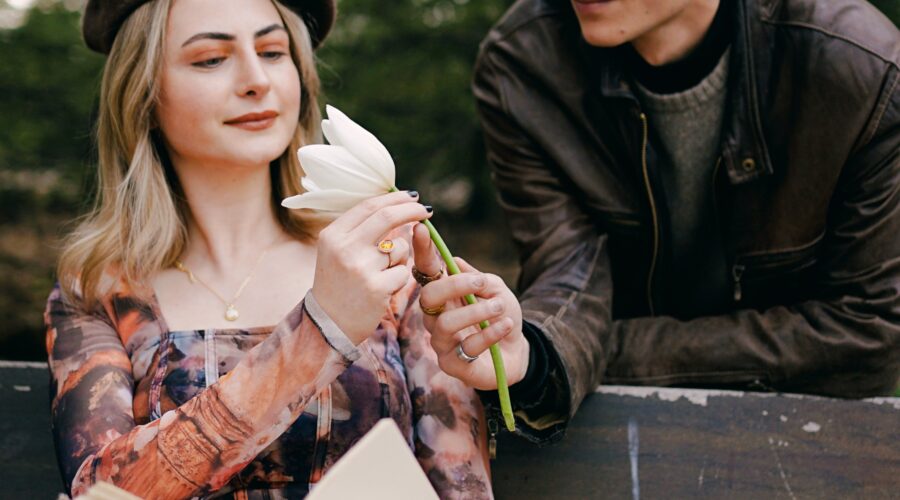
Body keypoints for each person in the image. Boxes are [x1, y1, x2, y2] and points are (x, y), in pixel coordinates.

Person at [45, 0, 506, 497]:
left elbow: (462, 484)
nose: (256, 80)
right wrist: (319, 331)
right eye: (210, 59)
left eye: (271, 51)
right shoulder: (98, 290)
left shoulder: (387, 263)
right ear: (142, 94)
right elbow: (100, 491)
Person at [418, 0, 900, 445]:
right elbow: (570, 271)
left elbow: (867, 333)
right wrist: (534, 356)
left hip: (812, 441)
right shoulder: (524, 64)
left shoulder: (863, 68)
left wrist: (597, 352)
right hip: (613, 444)